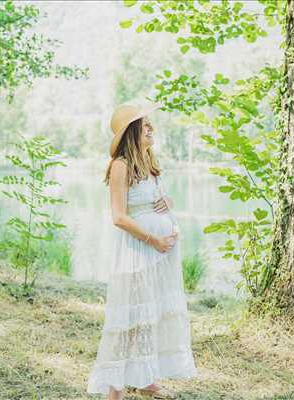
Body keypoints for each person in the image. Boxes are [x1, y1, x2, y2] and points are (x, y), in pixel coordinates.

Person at [87, 101, 198, 399]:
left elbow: (152, 200)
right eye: (145, 124)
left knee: (154, 314)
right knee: (132, 319)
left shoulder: (149, 163)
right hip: (138, 251)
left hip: (160, 255)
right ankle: (114, 391)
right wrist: (154, 239)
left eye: (150, 123)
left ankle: (146, 378)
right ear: (132, 131)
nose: (152, 128)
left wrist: (168, 204)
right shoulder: (121, 165)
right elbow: (119, 217)